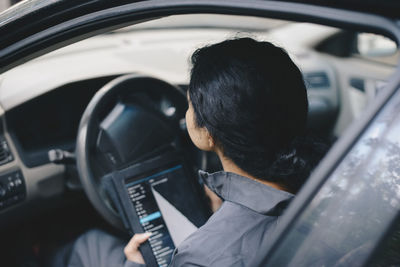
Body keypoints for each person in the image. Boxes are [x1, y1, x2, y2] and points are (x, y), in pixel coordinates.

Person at [66, 37, 326, 267]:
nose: (186, 115)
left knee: (88, 244)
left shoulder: (199, 256)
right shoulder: (339, 183)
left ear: (208, 135)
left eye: (190, 105)